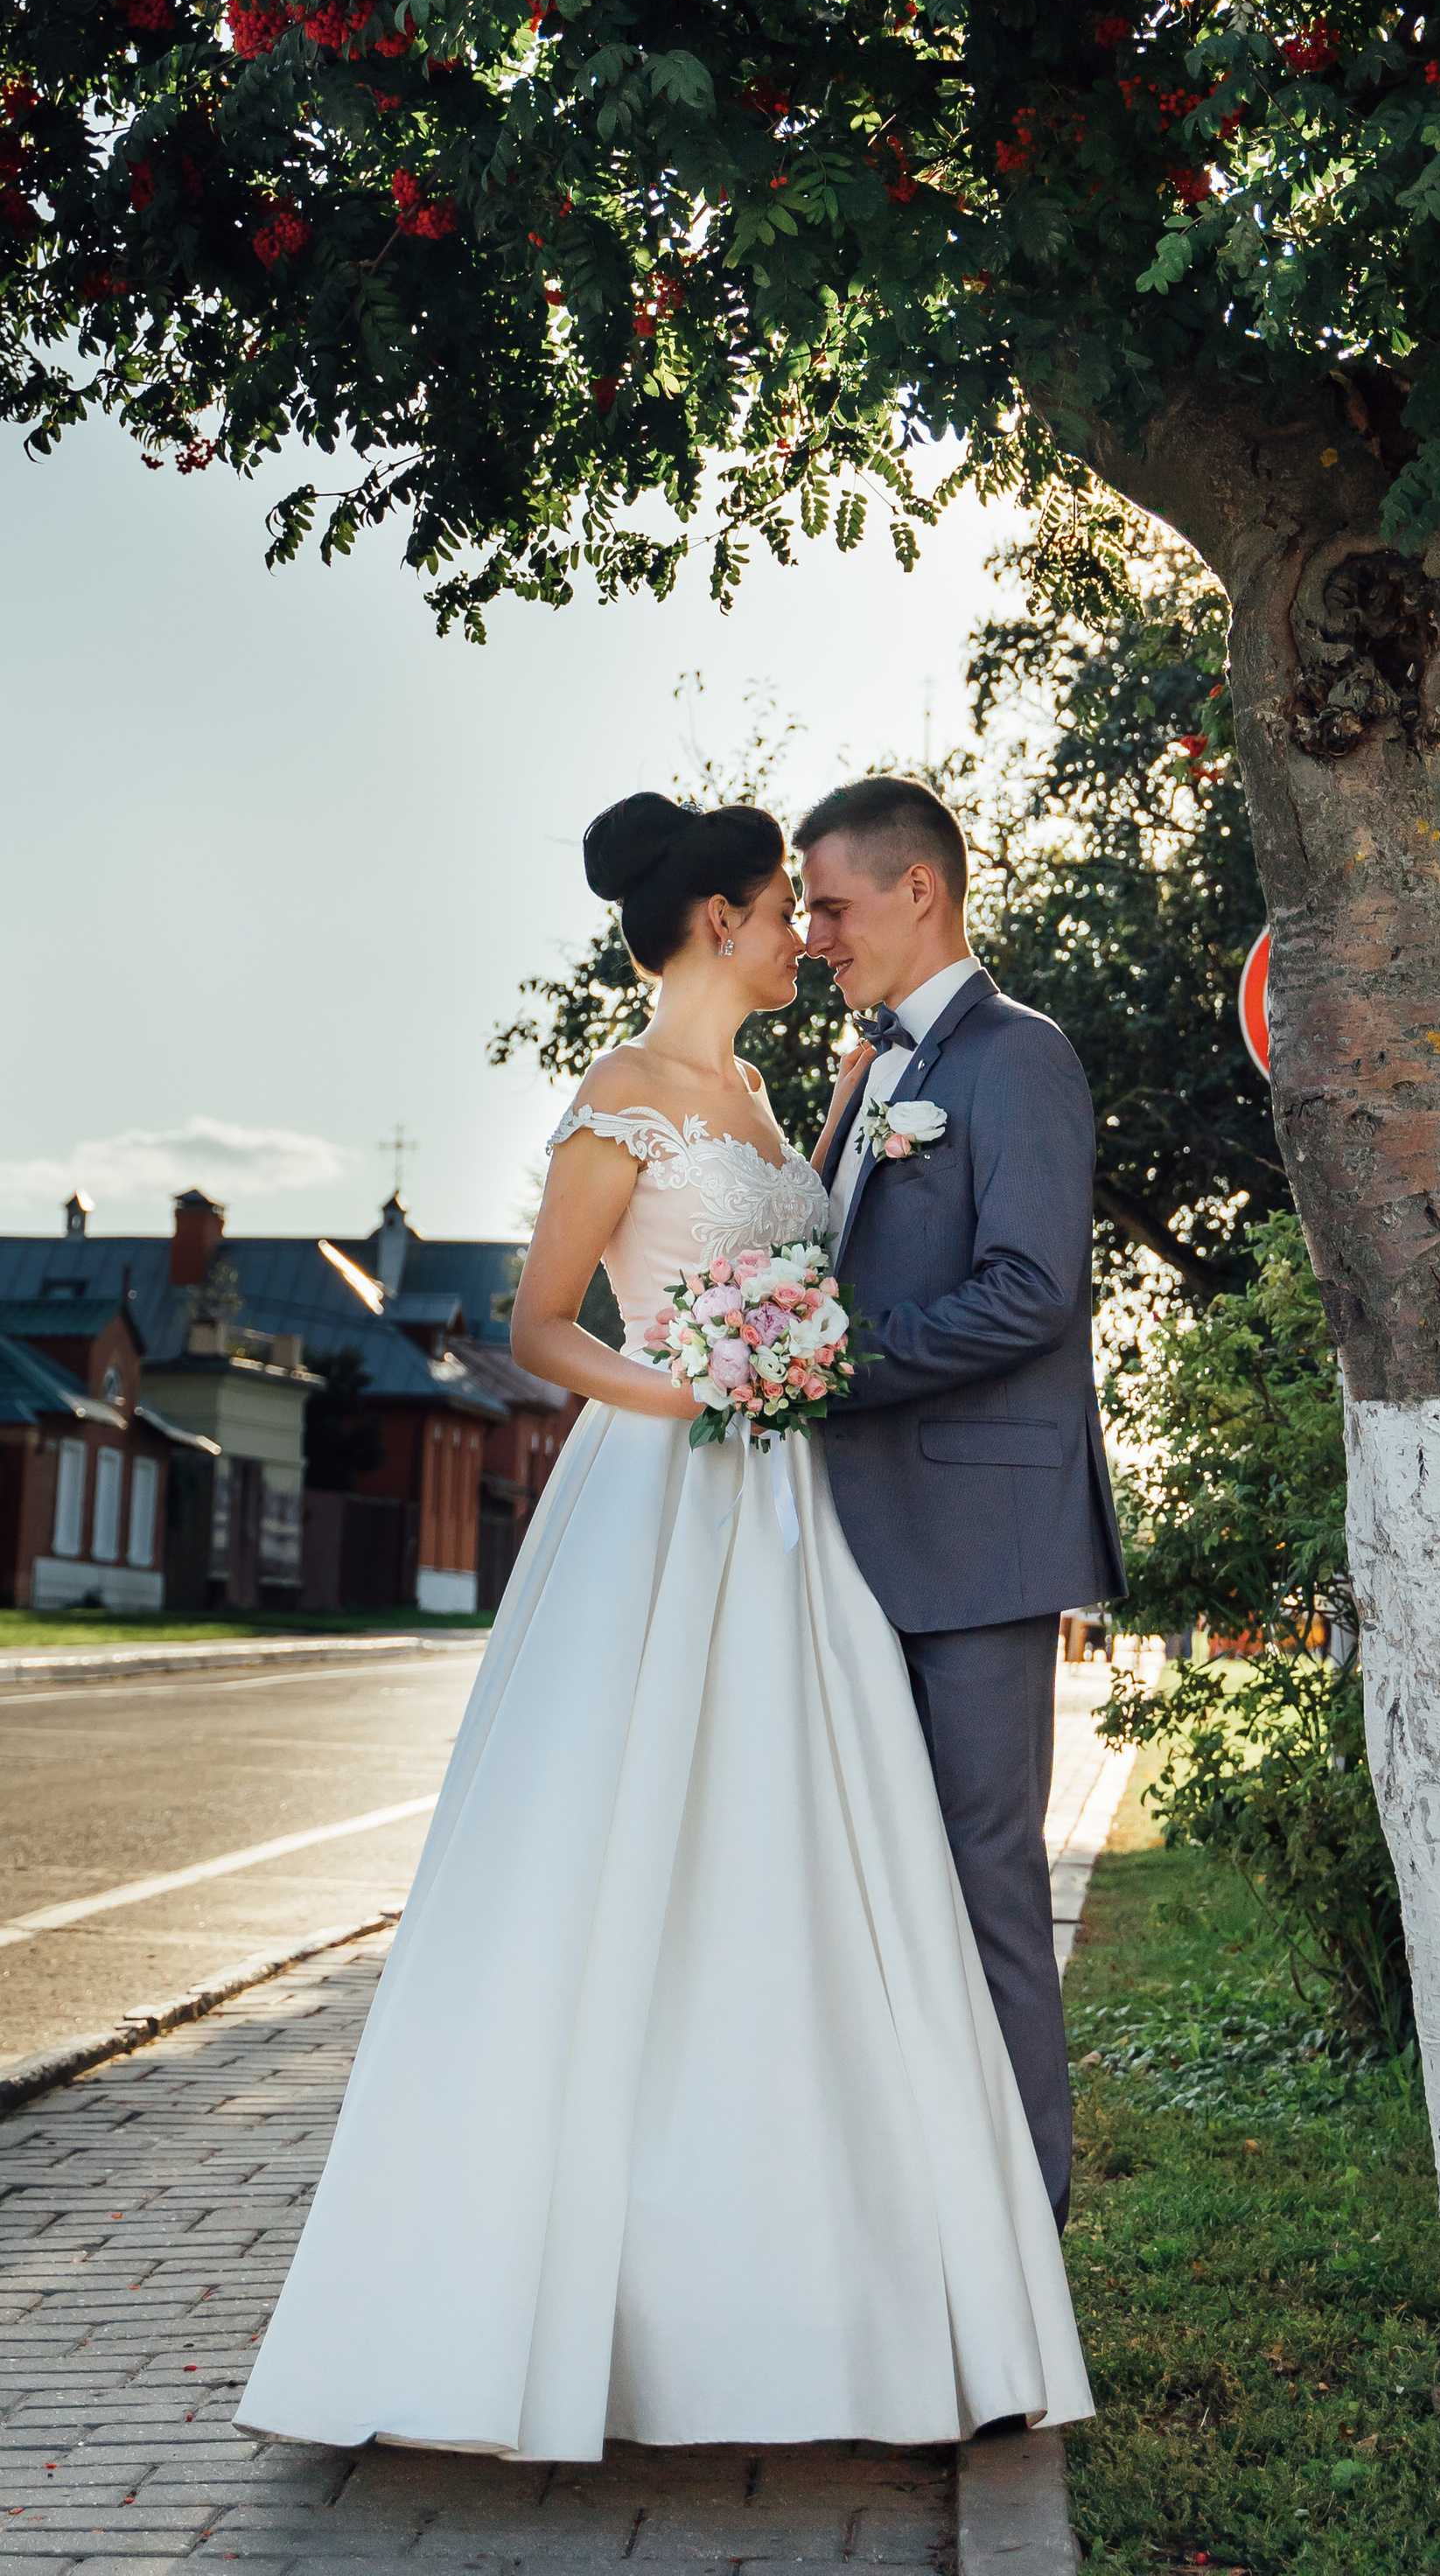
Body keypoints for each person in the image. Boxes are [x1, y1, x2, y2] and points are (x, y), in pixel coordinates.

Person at [236, 793, 1091, 2461]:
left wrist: (792, 1356)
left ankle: (882, 2273)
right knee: (628, 1867)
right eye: (789, 910)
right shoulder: (618, 1107)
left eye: (824, 910)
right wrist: (704, 1385)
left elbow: (862, 1286)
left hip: (797, 1521)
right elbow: (541, 1327)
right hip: (677, 1499)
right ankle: (584, 2302)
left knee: (821, 1883)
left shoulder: (791, 1102)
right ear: (720, 919)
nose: (805, 935)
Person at [798, 776, 1129, 2230]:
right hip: (846, 1537)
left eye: (831, 905)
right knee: (863, 1889)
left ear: (916, 890)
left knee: (989, 1889)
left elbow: (1032, 1293)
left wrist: (827, 1366)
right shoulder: (866, 1075)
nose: (814, 935)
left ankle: (1018, 2244)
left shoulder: (1019, 1059)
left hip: (981, 1547)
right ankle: (902, 2220)